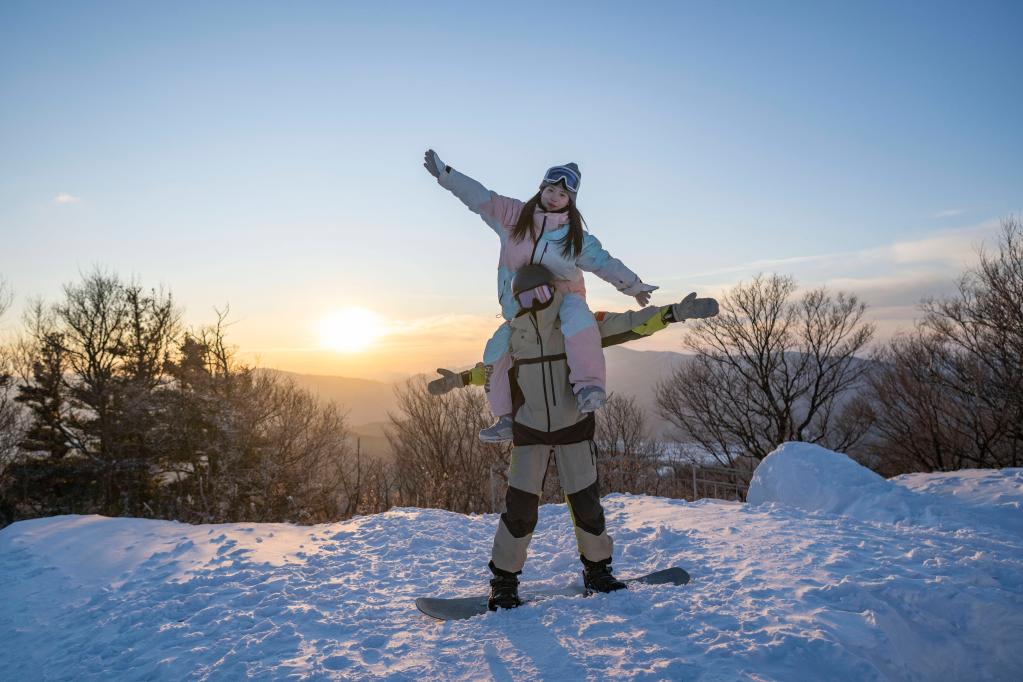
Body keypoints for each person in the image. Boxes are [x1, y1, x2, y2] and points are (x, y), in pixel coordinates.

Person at [429, 264, 719, 610]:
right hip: (529, 432)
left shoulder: (575, 324)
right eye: (525, 296)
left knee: (586, 506)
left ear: (554, 289)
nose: (534, 302)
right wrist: (458, 381)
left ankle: (598, 571)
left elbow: (628, 325)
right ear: (515, 299)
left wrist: (672, 313)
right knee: (518, 511)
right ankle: (504, 582)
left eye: (540, 293)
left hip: (575, 430)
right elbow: (491, 370)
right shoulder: (513, 333)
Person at [423, 150, 657, 443]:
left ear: (571, 200)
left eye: (562, 193)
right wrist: (447, 176)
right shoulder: (513, 217)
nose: (554, 197)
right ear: (541, 189)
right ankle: (505, 418)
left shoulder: (575, 238)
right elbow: (481, 197)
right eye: (550, 189)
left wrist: (634, 286)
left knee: (578, 320)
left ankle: (589, 388)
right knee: (496, 350)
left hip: (562, 302)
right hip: (520, 308)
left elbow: (604, 263)